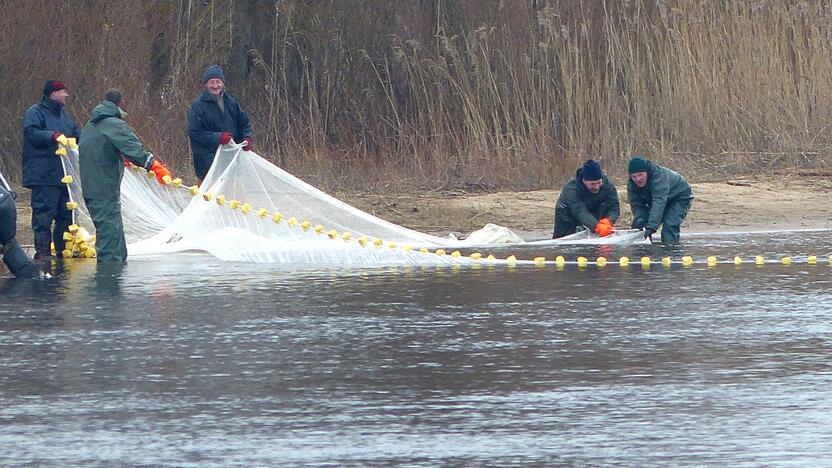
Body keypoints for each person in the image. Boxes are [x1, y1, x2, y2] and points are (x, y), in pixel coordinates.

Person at [79, 89, 172, 262]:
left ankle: (114, 275)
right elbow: (134, 149)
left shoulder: (91, 125)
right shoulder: (113, 124)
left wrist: (121, 157)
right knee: (110, 239)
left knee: (110, 233)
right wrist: (154, 166)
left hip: (92, 187)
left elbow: (103, 149)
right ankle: (109, 281)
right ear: (120, 104)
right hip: (104, 188)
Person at [22, 80, 81, 259]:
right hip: (43, 175)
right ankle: (43, 253)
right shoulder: (34, 112)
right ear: (53, 93)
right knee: (44, 215)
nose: (66, 95)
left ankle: (62, 251)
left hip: (64, 177)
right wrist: (51, 136)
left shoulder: (64, 116)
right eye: (63, 91)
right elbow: (31, 133)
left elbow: (77, 134)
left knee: (66, 215)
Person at [187, 65, 253, 183]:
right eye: (211, 82)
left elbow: (244, 123)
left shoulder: (231, 102)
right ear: (205, 85)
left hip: (232, 162)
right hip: (208, 164)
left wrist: (247, 137)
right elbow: (194, 133)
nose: (215, 85)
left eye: (218, 82)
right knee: (209, 199)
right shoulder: (198, 106)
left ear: (223, 83)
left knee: (235, 198)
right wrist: (218, 138)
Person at [626, 156, 693, 243]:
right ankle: (643, 252)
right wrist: (640, 223)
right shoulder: (631, 185)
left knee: (669, 226)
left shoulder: (659, 178)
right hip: (658, 199)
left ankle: (670, 251)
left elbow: (658, 203)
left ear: (647, 172)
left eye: (640, 175)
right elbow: (637, 206)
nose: (638, 179)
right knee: (639, 228)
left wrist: (651, 227)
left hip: (680, 197)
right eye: (634, 177)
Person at [553, 159, 620, 239]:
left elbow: (614, 206)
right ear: (584, 181)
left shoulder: (608, 185)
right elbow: (579, 211)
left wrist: (609, 220)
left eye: (599, 182)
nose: (597, 187)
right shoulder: (571, 189)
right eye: (593, 184)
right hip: (567, 216)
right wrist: (596, 226)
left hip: (592, 210)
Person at [0, 169, 42, 278]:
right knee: (9, 243)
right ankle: (35, 277)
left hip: (4, 205)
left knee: (8, 243)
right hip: (6, 202)